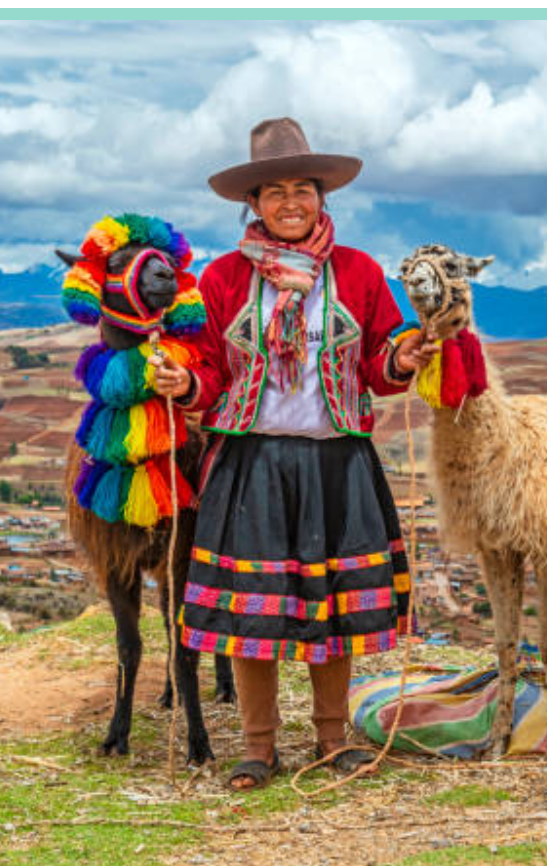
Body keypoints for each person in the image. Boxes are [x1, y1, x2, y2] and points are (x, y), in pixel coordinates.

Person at [149, 117, 436, 789]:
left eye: (302, 189)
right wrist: (185, 382)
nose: (289, 203)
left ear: (321, 197)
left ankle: (334, 740)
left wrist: (403, 353)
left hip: (338, 461)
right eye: (274, 191)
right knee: (257, 610)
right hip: (252, 463)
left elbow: (378, 364)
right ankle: (258, 745)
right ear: (253, 203)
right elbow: (213, 374)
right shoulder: (221, 280)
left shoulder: (359, 273)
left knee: (330, 606)